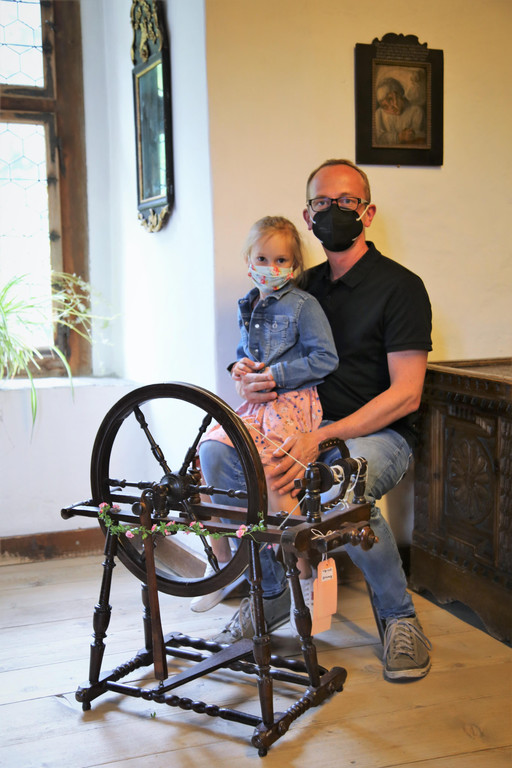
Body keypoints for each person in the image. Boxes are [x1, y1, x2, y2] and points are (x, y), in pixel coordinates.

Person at [199, 159, 433, 682]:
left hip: (377, 434)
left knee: (339, 486)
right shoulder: (296, 287)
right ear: (308, 217)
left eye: (347, 201)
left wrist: (321, 437)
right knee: (220, 456)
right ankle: (274, 594)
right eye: (322, 203)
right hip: (298, 426)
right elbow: (262, 356)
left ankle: (400, 619)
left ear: (367, 212)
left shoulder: (401, 287)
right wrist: (247, 376)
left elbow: (407, 395)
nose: (334, 211)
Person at [193, 215, 338, 620]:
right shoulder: (249, 303)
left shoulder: (304, 306)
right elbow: (247, 355)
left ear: (294, 266)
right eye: (262, 258)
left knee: (275, 473)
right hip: (258, 406)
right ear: (248, 260)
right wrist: (239, 368)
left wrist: (276, 375)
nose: (271, 268)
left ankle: (302, 575)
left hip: (291, 403)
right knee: (208, 451)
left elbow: (326, 358)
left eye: (281, 260)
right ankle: (222, 564)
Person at [374, 77, 426, 146]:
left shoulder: (416, 111)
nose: (390, 107)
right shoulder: (379, 114)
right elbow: (378, 139)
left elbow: (418, 138)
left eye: (390, 99)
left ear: (399, 94)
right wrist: (399, 137)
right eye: (384, 106)